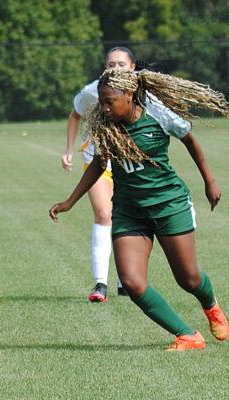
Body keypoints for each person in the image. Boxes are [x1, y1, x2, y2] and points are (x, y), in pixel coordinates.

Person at [50, 67, 229, 351]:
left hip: (169, 204)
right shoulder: (106, 125)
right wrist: (70, 201)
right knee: (133, 283)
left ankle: (211, 305)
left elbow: (191, 141)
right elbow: (99, 162)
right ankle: (188, 335)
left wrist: (210, 182)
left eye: (111, 102)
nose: (105, 108)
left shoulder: (157, 114)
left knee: (188, 278)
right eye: (102, 102)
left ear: (130, 95)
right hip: (129, 211)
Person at [62, 47, 137, 302]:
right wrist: (69, 149)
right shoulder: (92, 91)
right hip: (98, 162)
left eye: (121, 64)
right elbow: (75, 115)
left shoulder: (143, 92)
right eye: (111, 64)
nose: (116, 68)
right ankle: (100, 283)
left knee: (125, 218)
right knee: (104, 214)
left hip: (129, 164)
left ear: (132, 67)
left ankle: (123, 281)